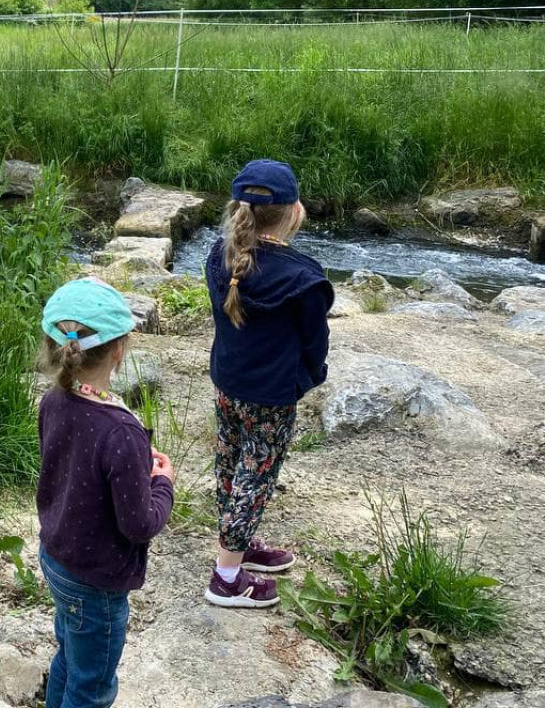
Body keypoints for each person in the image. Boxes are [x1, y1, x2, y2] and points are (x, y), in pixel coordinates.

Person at [37, 277, 176, 708]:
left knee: (71, 658)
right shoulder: (122, 430)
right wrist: (162, 484)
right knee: (93, 685)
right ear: (119, 350)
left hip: (56, 557)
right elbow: (138, 525)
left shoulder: (52, 401)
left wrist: (133, 466)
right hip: (95, 580)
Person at [203, 158, 332, 609]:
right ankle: (226, 577)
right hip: (272, 396)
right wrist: (305, 380)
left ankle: (239, 541)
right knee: (255, 477)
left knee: (230, 464)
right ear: (294, 211)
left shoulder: (218, 258)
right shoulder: (305, 279)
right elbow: (315, 346)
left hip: (227, 382)